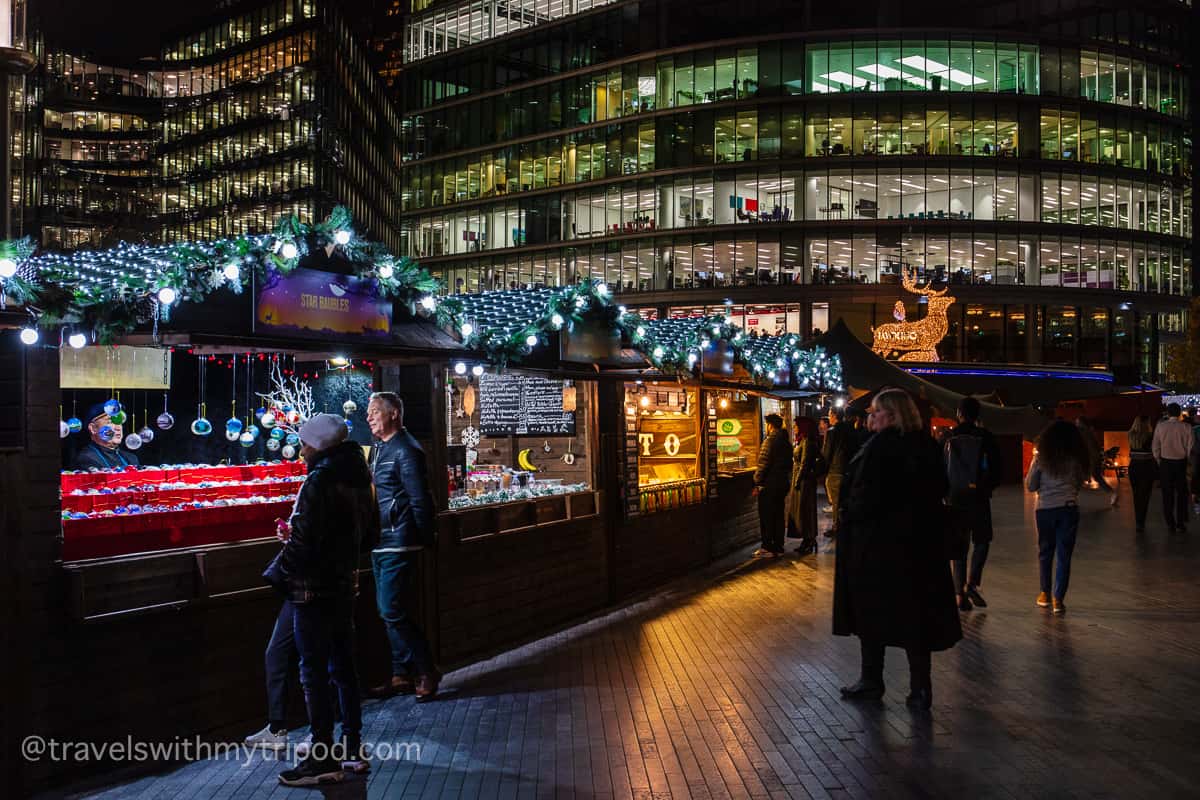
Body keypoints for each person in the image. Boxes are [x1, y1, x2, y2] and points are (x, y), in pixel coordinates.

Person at [264, 414, 378, 786]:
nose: (301, 448)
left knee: (312, 672)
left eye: (305, 442)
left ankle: (321, 756)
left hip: (311, 588)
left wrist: (288, 553)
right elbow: (371, 536)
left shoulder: (319, 481)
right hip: (344, 584)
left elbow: (306, 544)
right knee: (344, 668)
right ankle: (352, 747)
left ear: (318, 445)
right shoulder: (360, 478)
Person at [833, 389, 961, 711]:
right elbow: (940, 488)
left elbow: (866, 495)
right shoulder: (926, 446)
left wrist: (849, 514)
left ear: (891, 415)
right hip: (920, 548)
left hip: (878, 546)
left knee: (871, 612)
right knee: (915, 617)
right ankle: (920, 688)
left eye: (875, 412)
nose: (869, 418)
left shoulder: (879, 448)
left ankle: (871, 679)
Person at [365, 392, 441, 700]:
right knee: (389, 611)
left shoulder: (407, 450)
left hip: (400, 539)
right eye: (368, 413)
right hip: (380, 539)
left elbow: (420, 499)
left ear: (394, 413)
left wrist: (424, 537)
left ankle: (426, 670)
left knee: (390, 609)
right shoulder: (381, 449)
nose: (368, 417)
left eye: (374, 412)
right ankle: (400, 673)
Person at [942, 397, 1001, 611]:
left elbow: (940, 468)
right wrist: (986, 488)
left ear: (959, 414)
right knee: (982, 540)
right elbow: (997, 469)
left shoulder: (948, 437)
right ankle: (972, 583)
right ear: (978, 415)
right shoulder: (986, 437)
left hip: (955, 498)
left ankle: (958, 595)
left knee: (958, 546)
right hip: (979, 498)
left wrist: (945, 494)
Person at [1025, 420, 1089, 615]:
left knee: (1045, 552)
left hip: (1044, 509)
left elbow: (1031, 485)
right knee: (1064, 555)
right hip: (1068, 509)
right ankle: (1058, 599)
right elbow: (1079, 482)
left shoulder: (1041, 459)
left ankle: (1044, 593)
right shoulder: (1075, 459)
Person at [753, 413, 793, 557]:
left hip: (769, 485)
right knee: (778, 516)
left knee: (767, 516)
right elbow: (790, 464)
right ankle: (778, 546)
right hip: (782, 484)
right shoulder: (786, 442)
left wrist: (757, 481)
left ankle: (768, 547)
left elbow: (763, 464)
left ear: (770, 425)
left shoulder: (770, 441)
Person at [1152, 402, 1193, 533]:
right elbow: (1190, 446)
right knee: (1182, 493)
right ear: (1180, 412)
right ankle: (1180, 523)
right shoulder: (1186, 427)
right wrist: (1186, 458)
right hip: (1181, 462)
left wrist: (1159, 460)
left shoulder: (1161, 426)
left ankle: (1170, 523)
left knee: (1167, 494)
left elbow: (1155, 446)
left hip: (1165, 463)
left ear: (1168, 413)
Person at [786, 417, 821, 555]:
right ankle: (807, 540)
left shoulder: (807, 442)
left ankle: (809, 539)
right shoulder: (802, 440)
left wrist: (797, 481)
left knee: (804, 511)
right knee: (803, 511)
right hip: (802, 480)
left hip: (804, 482)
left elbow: (805, 463)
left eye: (796, 425)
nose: (794, 427)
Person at [73, 403, 139, 470]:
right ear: (93, 428)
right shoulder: (87, 458)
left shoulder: (131, 458)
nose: (118, 428)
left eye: (119, 422)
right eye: (110, 422)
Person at [821, 407, 854, 545]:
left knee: (835, 502)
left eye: (830, 414)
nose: (829, 417)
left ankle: (837, 527)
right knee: (843, 501)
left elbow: (827, 453)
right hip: (847, 470)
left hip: (835, 470)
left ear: (834, 415)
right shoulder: (850, 430)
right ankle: (844, 526)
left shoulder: (831, 432)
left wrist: (822, 470)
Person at [1076, 417, 1116, 506]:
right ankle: (1112, 493)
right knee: (1097, 477)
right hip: (1093, 458)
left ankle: (1072, 498)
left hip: (1090, 459)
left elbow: (1089, 448)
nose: (1076, 424)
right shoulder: (1089, 433)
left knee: (1078, 478)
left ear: (1082, 424)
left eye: (1078, 422)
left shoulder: (1083, 433)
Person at [1127, 416, 1156, 534]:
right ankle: (1141, 522)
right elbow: (1154, 451)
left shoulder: (1130, 435)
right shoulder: (1150, 435)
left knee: (1136, 495)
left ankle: (1138, 522)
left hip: (1133, 466)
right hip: (1146, 467)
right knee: (1145, 496)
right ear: (1146, 423)